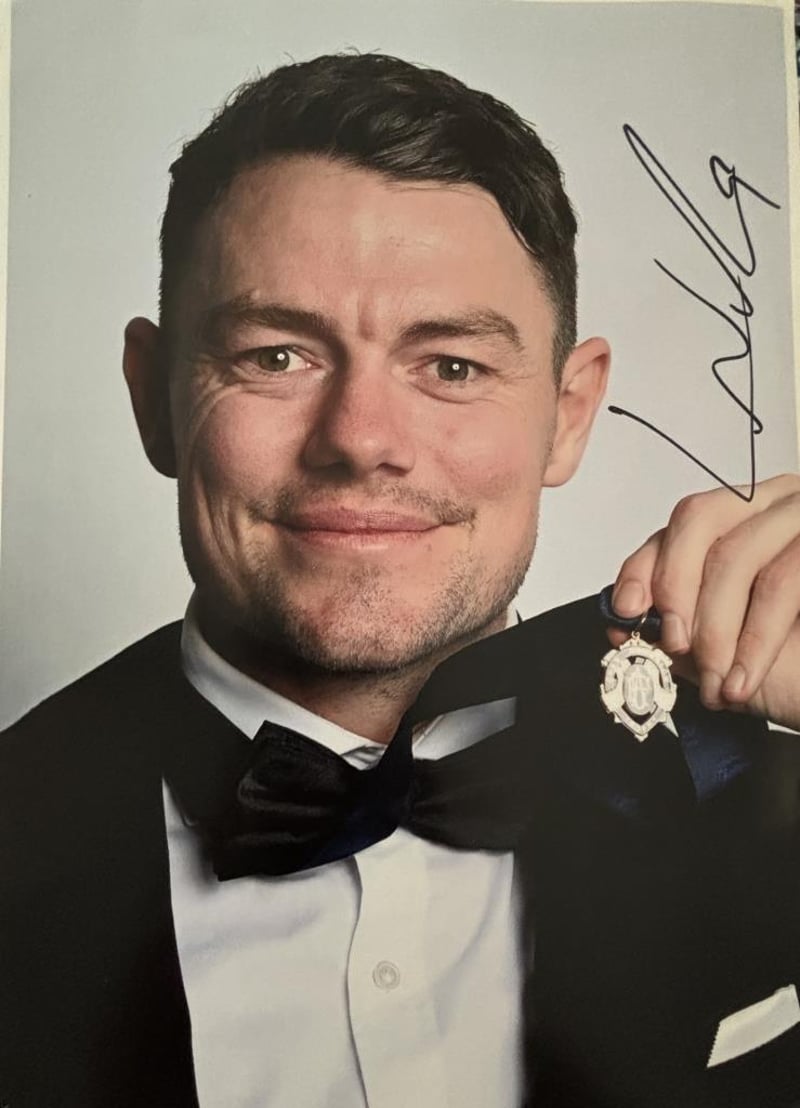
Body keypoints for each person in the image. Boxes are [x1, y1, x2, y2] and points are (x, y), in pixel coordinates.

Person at [2, 51, 800, 1108]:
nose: (362, 440)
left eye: (451, 366)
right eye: (275, 355)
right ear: (153, 399)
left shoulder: (752, 781)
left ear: (567, 414)